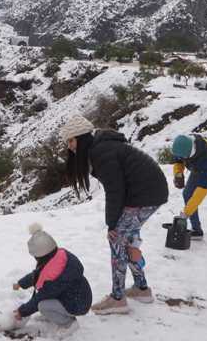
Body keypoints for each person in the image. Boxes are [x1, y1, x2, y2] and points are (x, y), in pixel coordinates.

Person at [60, 114, 168, 315]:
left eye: (71, 140)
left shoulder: (101, 152)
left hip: (144, 195)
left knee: (117, 239)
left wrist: (112, 224)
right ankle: (141, 289)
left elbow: (115, 191)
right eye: (67, 141)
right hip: (146, 193)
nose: (69, 146)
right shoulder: (100, 148)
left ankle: (118, 299)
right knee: (127, 240)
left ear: (82, 138)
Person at [8, 223, 92, 337]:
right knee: (45, 302)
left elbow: (40, 298)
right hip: (78, 295)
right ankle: (54, 312)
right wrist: (21, 283)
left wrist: (21, 312)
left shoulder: (54, 279)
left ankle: (69, 323)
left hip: (77, 304)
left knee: (43, 306)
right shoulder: (58, 257)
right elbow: (37, 274)